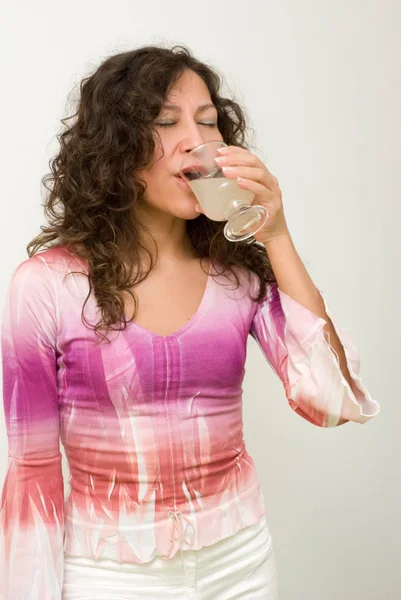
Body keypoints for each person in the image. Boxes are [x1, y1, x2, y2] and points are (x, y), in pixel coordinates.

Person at [0, 44, 380, 600]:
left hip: (242, 564)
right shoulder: (46, 286)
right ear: (117, 147)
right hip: (109, 576)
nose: (196, 140)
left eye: (208, 123)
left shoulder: (239, 277)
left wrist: (274, 235)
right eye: (164, 121)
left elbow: (335, 401)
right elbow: (31, 472)